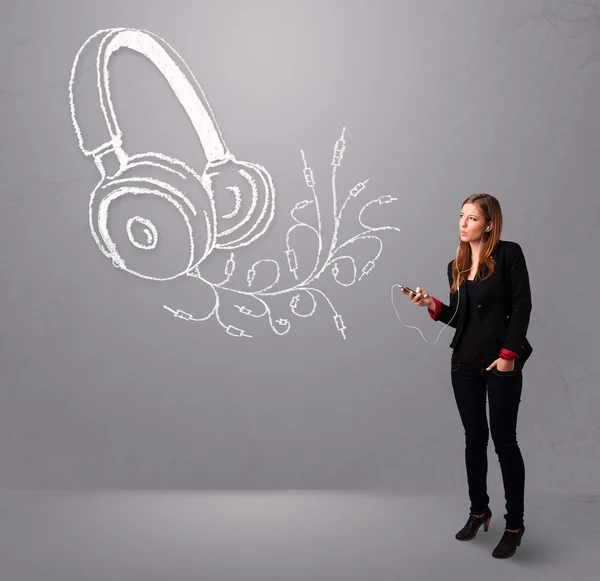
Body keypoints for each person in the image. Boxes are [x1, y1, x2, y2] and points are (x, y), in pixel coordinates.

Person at [400, 193, 532, 559]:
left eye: (472, 218)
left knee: (505, 444)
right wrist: (432, 306)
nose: (463, 223)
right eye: (461, 216)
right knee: (474, 441)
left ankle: (515, 525)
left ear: (489, 224)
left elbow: (522, 306)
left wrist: (508, 356)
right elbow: (461, 318)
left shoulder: (509, 255)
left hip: (500, 363)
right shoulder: (455, 265)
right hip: (464, 364)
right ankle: (479, 510)